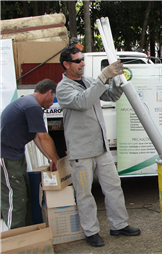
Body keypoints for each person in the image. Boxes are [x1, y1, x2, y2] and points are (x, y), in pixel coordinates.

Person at [56, 46, 140, 247]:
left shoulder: (87, 81)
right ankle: (91, 231)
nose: (82, 64)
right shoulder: (63, 88)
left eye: (82, 59)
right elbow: (83, 102)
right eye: (77, 61)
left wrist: (117, 81)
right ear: (66, 65)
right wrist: (103, 76)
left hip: (101, 148)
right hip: (81, 151)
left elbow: (110, 96)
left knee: (113, 186)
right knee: (84, 193)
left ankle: (118, 225)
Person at [0, 79, 60, 230]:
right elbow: (43, 137)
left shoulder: (28, 102)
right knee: (15, 197)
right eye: (53, 98)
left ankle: (26, 233)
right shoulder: (32, 106)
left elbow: (35, 137)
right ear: (48, 93)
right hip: (6, 155)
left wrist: (49, 158)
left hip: (15, 154)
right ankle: (15, 239)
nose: (52, 103)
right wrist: (56, 161)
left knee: (24, 194)